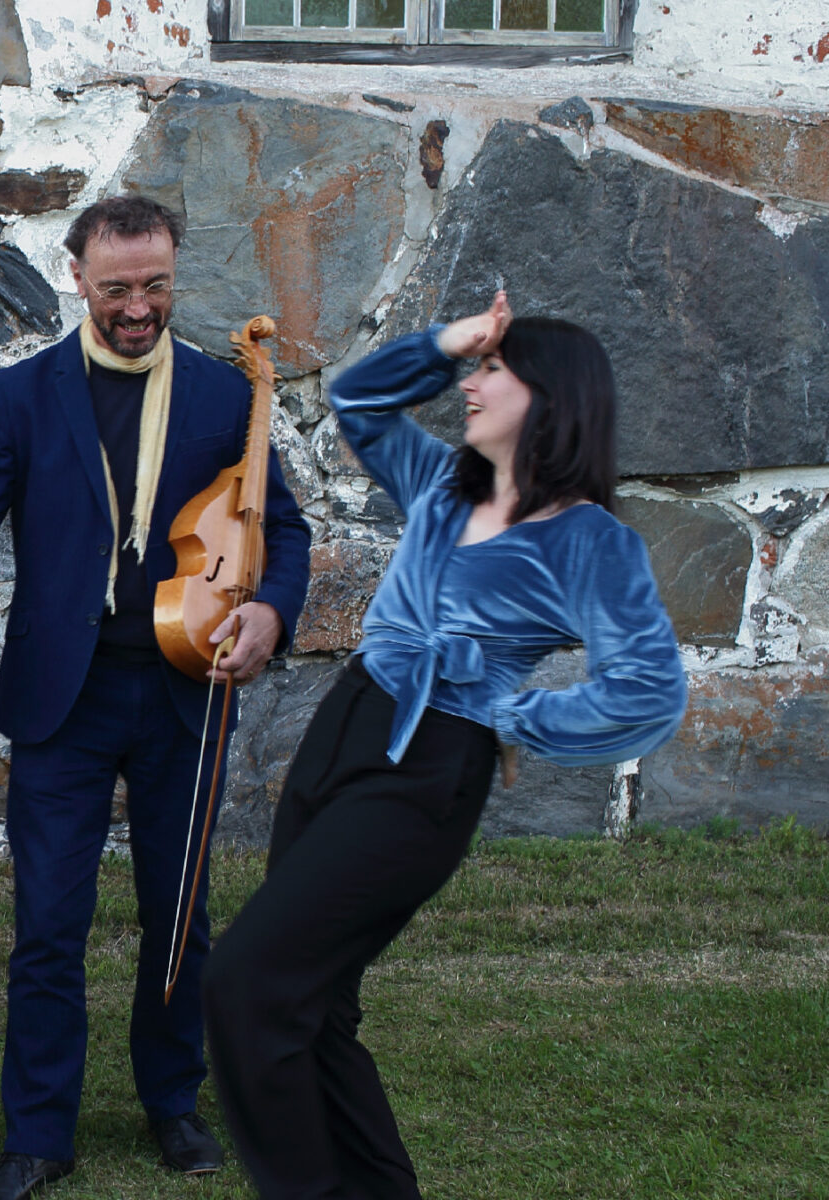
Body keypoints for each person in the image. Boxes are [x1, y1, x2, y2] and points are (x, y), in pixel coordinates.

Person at [0, 195, 313, 1199]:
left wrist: (273, 613)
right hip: (61, 700)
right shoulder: (21, 398)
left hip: (184, 692)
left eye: (154, 285)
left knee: (177, 911)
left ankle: (172, 1099)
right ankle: (36, 1133)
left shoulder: (224, 391)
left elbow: (283, 529)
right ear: (77, 279)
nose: (138, 306)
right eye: (117, 289)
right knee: (48, 922)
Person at [201, 293, 688, 1198]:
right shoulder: (442, 481)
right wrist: (450, 340)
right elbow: (358, 399)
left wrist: (517, 718)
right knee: (317, 1005)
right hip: (346, 726)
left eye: (493, 370)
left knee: (247, 984)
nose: (470, 384)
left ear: (550, 396)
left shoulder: (591, 542)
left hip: (428, 770)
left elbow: (649, 688)